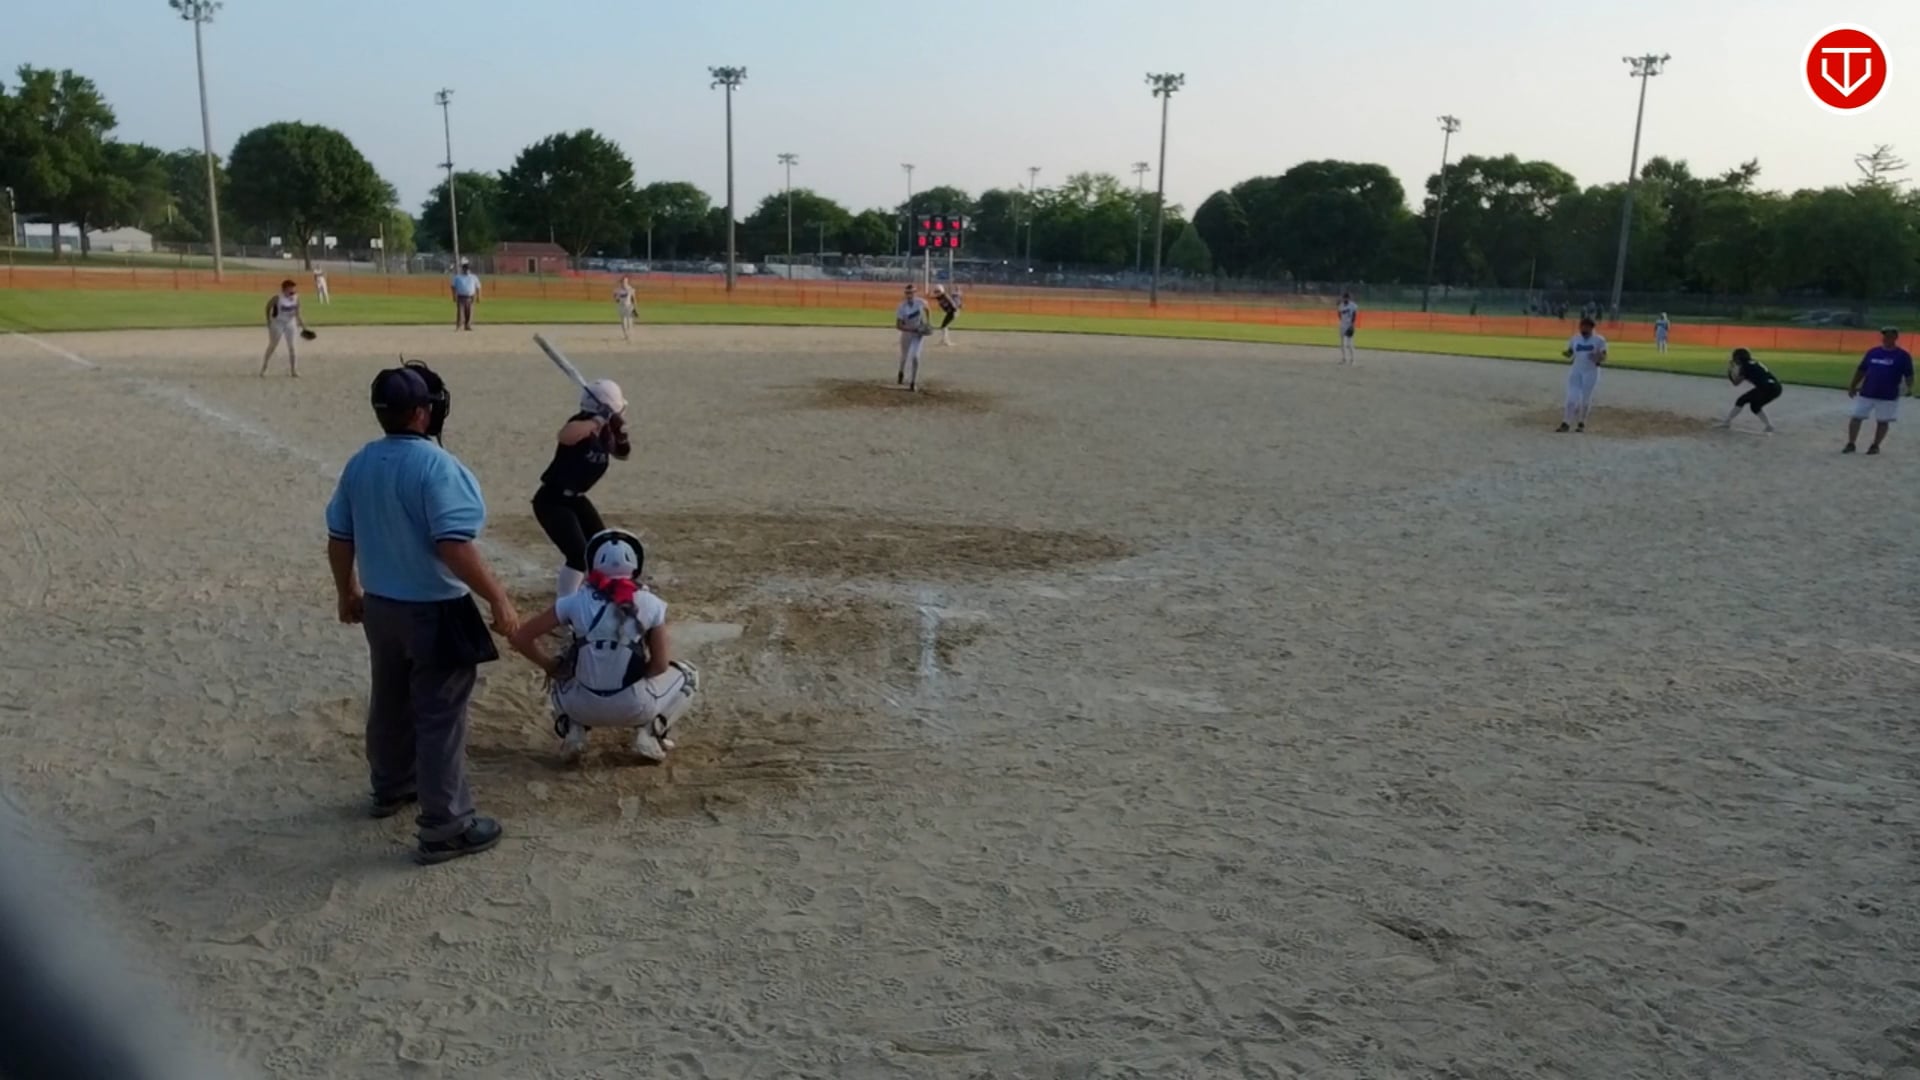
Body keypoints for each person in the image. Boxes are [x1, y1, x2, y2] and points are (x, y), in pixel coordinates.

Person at [325, 361, 519, 865]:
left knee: (390, 700)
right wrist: (498, 597)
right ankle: (445, 825)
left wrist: (347, 591)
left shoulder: (360, 462)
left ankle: (391, 785)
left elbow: (340, 536)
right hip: (434, 608)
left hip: (382, 606)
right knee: (439, 715)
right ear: (420, 413)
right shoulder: (437, 466)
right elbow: (453, 545)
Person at [508, 529, 701, 764]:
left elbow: (520, 638)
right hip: (635, 707)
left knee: (561, 668)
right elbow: (660, 665)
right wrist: (637, 678)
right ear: (636, 564)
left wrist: (550, 666)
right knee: (689, 675)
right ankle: (650, 733)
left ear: (592, 563)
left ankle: (573, 730)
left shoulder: (573, 601)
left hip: (580, 707)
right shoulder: (651, 603)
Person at [532, 379, 630, 599]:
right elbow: (565, 436)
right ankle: (566, 605)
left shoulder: (605, 432)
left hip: (576, 499)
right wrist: (598, 419)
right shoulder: (581, 424)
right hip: (552, 500)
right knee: (578, 556)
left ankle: (598, 592)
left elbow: (623, 454)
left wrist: (621, 435)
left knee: (602, 548)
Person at [1844, 326, 1914, 455]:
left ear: (1895, 337)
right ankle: (1851, 443)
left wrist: (1908, 387)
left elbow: (1909, 375)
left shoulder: (1903, 356)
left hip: (1888, 395)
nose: (1886, 338)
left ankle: (1875, 446)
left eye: (1890, 335)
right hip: (1867, 392)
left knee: (1883, 421)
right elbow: (1861, 370)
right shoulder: (1873, 352)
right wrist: (1853, 386)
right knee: (1856, 417)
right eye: (1885, 335)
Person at [1558, 316, 1608, 433]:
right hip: (1576, 371)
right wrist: (1566, 353)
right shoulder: (1575, 338)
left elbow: (1604, 356)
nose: (1583, 329)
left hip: (1591, 372)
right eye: (1582, 326)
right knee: (1571, 398)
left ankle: (1581, 422)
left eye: (1586, 327)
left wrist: (1598, 357)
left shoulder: (1599, 340)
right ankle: (1566, 423)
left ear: (1592, 328)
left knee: (1585, 399)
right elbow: (1570, 352)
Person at [1720, 348, 1781, 433]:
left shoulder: (1745, 366)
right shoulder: (1754, 363)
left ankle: (1727, 422)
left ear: (1739, 358)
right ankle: (1769, 426)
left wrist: (1730, 371)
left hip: (1766, 387)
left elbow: (1736, 383)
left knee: (1741, 400)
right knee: (1755, 406)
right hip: (1777, 388)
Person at [260, 279, 309, 378]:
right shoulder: (277, 298)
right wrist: (268, 320)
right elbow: (268, 307)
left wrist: (304, 327)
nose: (293, 290)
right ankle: (264, 368)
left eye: (294, 288)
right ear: (285, 289)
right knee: (273, 345)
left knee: (292, 347)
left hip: (290, 323)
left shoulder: (296, 298)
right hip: (277, 323)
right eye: (291, 288)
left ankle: (294, 370)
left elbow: (298, 313)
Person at [895, 283, 931, 391]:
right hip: (907, 334)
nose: (909, 295)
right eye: (907, 293)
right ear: (905, 294)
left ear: (915, 293)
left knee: (915, 357)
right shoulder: (901, 306)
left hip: (918, 335)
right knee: (904, 356)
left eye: (911, 292)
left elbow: (928, 309)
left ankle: (913, 382)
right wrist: (911, 329)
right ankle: (901, 372)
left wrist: (928, 323)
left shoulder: (920, 302)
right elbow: (898, 325)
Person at [451, 259, 481, 331]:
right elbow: (453, 287)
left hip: (471, 297)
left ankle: (468, 325)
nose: (467, 270)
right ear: (463, 269)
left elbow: (478, 287)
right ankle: (459, 325)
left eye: (468, 269)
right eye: (465, 269)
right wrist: (454, 296)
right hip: (461, 297)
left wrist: (478, 297)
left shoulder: (473, 277)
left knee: (469, 312)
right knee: (460, 312)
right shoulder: (458, 277)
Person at [1336, 291, 1359, 365]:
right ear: (1343, 298)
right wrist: (1342, 321)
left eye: (1347, 298)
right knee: (1342, 343)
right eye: (1345, 298)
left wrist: (1352, 324)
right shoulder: (1341, 305)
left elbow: (1354, 315)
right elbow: (1339, 314)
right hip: (1342, 325)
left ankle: (1353, 360)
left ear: (1349, 298)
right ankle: (1344, 359)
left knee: (1349, 344)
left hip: (1349, 325)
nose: (1346, 299)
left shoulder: (1353, 305)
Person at [613, 276, 638, 342]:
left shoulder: (631, 289)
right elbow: (615, 298)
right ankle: (626, 335)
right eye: (623, 281)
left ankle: (630, 333)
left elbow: (634, 299)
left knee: (629, 321)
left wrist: (635, 309)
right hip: (621, 306)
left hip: (629, 306)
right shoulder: (617, 290)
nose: (625, 283)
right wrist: (617, 298)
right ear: (621, 282)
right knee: (623, 321)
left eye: (626, 281)